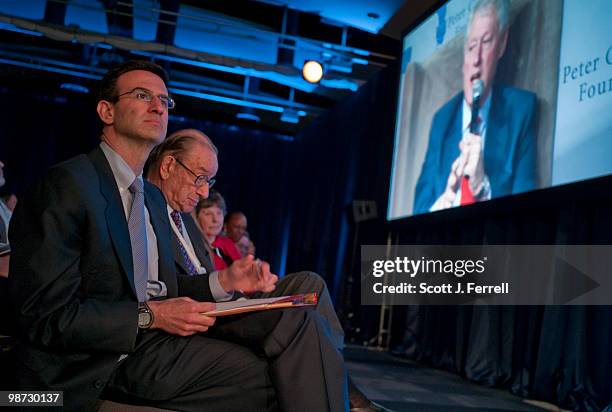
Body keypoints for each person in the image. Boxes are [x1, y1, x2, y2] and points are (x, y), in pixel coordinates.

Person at [146, 128, 391, 412]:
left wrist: (242, 279)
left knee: (311, 283)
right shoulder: (145, 212)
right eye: (199, 178)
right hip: (199, 314)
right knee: (298, 319)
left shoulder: (184, 218)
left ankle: (341, 387)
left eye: (209, 181)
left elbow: (206, 270)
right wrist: (222, 282)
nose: (204, 193)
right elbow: (163, 288)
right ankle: (348, 399)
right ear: (167, 166)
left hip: (223, 302)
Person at [413, 0, 537, 214]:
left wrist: (482, 188)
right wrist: (443, 205)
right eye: (471, 47)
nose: (477, 59)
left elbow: (526, 213)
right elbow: (419, 209)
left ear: (502, 43)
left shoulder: (522, 110)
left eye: (486, 42)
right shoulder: (442, 120)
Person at [193, 189, 241, 270]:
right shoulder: (192, 244)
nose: (215, 219)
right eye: (208, 214)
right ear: (196, 217)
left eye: (219, 213)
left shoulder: (228, 244)